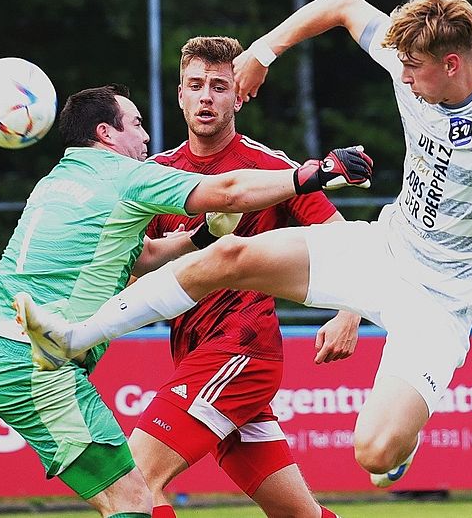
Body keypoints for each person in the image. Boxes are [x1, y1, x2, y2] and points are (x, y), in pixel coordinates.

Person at [16, 0, 472, 490]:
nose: (403, 79)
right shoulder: (409, 59)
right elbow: (339, 5)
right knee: (230, 253)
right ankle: (71, 338)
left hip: (443, 301)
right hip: (384, 250)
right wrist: (262, 53)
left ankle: (396, 453)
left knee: (374, 452)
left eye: (414, 69)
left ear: (452, 63)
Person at [0, 84, 372, 517]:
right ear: (106, 134)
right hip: (36, 364)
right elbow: (225, 188)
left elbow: (141, 258)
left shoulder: (56, 182)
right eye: (137, 126)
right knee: (135, 497)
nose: (147, 138)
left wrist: (198, 238)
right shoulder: (129, 177)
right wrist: (313, 173)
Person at [129, 36, 355, 518]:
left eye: (218, 85)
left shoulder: (269, 168)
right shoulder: (158, 175)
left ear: (238, 95)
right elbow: (134, 265)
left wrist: (349, 313)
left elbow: (347, 242)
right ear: (180, 95)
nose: (206, 96)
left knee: (134, 483)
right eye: (196, 85)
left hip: (240, 348)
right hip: (195, 353)